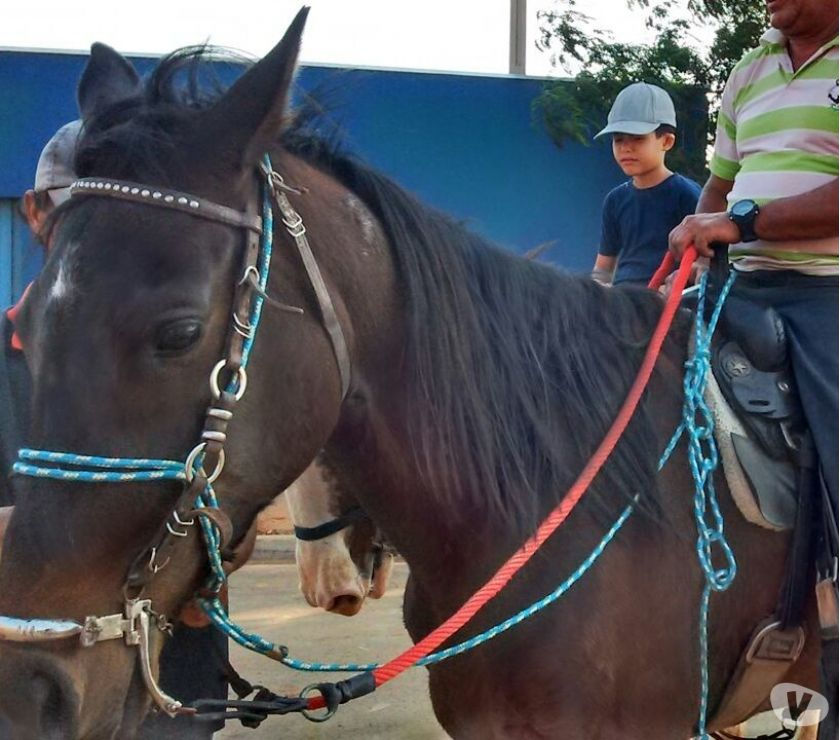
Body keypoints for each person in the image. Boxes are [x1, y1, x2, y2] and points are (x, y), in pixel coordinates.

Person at [0, 121, 235, 738]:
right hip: (33, 681)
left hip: (173, 683)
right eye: (78, 208)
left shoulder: (188, 362)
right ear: (34, 213)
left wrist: (215, 554)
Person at [668, 0, 838, 735]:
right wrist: (702, 231)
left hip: (825, 288)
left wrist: (741, 223)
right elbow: (721, 180)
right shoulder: (749, 68)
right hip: (735, 282)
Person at [590, 81, 702, 287]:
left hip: (671, 302)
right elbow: (603, 269)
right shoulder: (615, 200)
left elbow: (704, 264)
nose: (626, 148)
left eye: (638, 139)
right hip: (623, 302)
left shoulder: (686, 194)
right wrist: (596, 289)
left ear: (667, 142)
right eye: (618, 139)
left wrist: (681, 280)